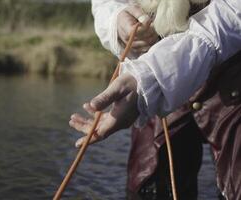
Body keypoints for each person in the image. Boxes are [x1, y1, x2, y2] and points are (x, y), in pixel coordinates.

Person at [69, 0, 241, 199]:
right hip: (156, 72)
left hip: (231, 75)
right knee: (149, 187)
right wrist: (117, 21)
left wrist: (152, 78)